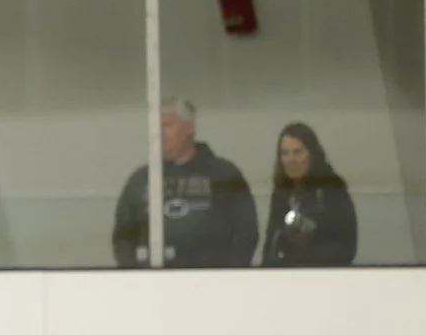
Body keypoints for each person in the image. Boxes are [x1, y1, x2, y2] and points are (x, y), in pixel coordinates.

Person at [112, 99, 257, 268]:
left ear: (189, 128)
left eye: (167, 125)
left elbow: (246, 233)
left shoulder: (224, 175)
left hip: (211, 278)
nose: (159, 133)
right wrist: (134, 274)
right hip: (153, 279)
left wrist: (230, 275)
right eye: (155, 127)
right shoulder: (141, 179)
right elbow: (123, 237)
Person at [262, 123, 358, 267]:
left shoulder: (332, 188)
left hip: (325, 272)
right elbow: (271, 242)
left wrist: (304, 248)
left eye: (297, 152)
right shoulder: (281, 191)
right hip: (285, 274)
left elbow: (346, 246)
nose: (291, 160)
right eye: (285, 153)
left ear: (312, 154)